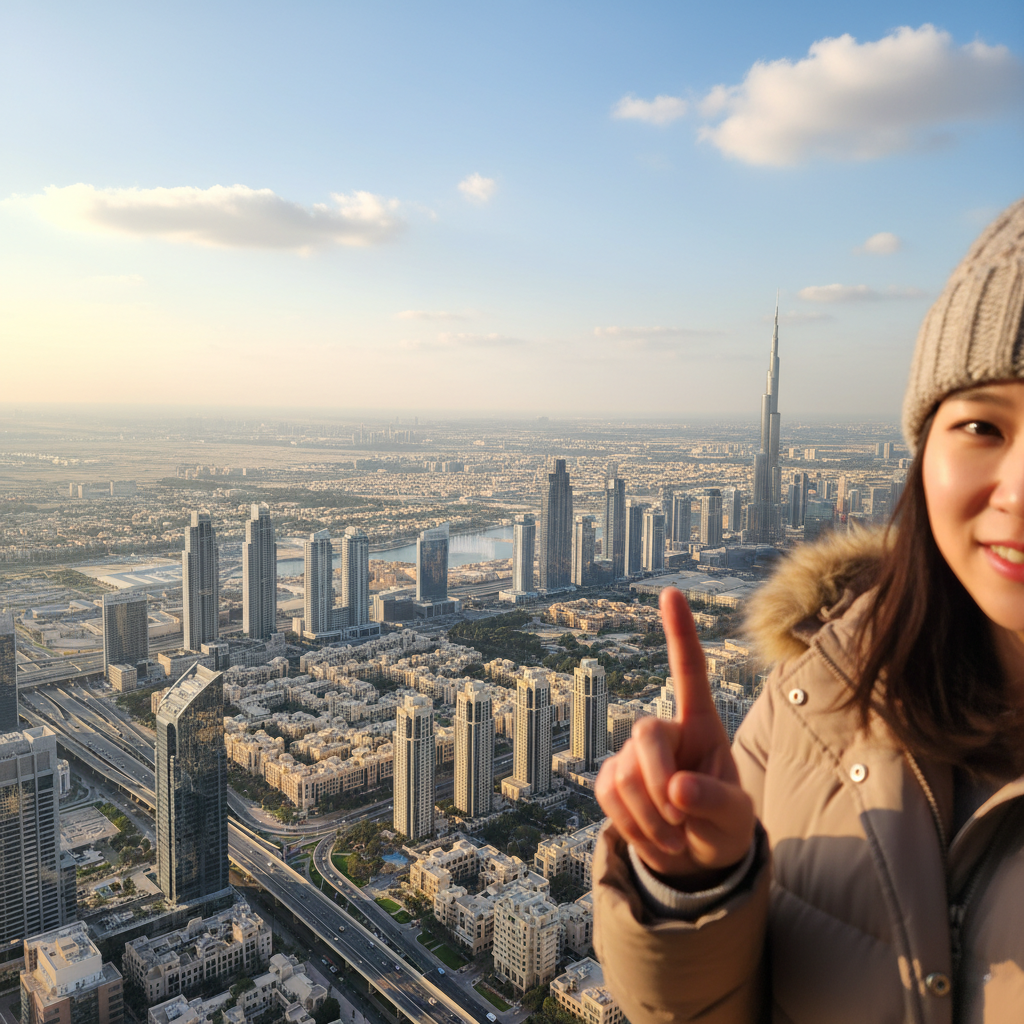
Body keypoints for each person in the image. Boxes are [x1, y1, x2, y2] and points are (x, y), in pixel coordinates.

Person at [592, 198, 1024, 1024]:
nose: (1019, 492)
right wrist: (694, 887)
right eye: (980, 424)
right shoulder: (814, 698)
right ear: (924, 449)